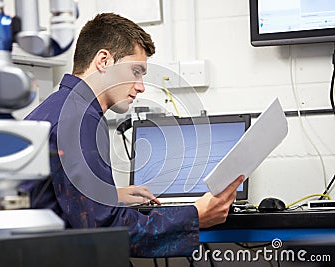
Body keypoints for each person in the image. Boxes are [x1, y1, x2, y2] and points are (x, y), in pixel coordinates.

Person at [23, 13, 244, 257]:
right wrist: (195, 216)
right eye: (136, 71)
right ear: (104, 61)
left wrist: (110, 196)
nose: (140, 86)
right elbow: (106, 230)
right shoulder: (79, 119)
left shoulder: (59, 107)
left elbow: (57, 197)